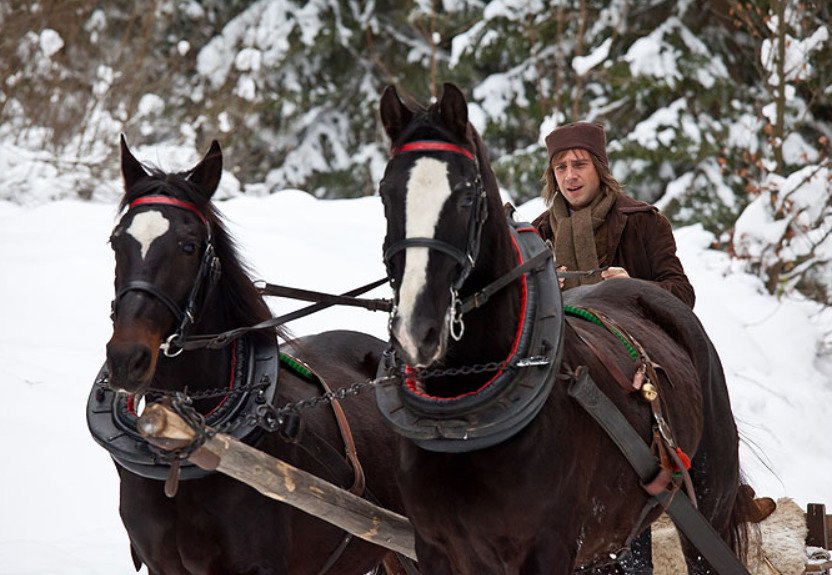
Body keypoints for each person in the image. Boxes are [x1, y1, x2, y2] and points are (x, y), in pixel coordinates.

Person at [531, 121, 695, 309]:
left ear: (599, 168)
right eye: (561, 167)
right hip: (560, 337)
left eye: (579, 165)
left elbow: (683, 295)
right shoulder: (536, 235)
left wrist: (634, 288)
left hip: (633, 335)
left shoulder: (643, 222)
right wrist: (542, 292)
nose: (569, 176)